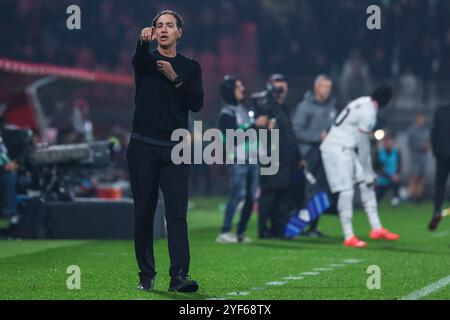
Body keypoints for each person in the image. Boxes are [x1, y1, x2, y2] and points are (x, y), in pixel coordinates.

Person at [127, 10, 203, 292]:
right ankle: (146, 275)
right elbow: (137, 60)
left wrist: (175, 78)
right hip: (142, 145)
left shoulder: (190, 67)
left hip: (176, 149)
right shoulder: (146, 61)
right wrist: (140, 43)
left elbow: (196, 103)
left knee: (177, 214)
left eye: (170, 25)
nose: (163, 29)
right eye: (159, 25)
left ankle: (179, 276)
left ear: (179, 32)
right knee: (144, 213)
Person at [320, 84, 400, 248]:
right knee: (347, 191)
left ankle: (376, 228)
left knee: (366, 184)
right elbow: (363, 145)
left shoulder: (364, 101)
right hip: (335, 150)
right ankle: (349, 236)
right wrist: (368, 170)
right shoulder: (369, 112)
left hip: (346, 149)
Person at [216, 76, 264, 244]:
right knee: (236, 196)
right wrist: (254, 126)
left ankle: (240, 232)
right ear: (230, 91)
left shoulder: (244, 109)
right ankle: (225, 231)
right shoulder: (226, 113)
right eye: (238, 87)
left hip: (252, 159)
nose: (242, 89)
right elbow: (233, 137)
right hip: (238, 159)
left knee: (251, 197)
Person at [292, 75, 337, 237]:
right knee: (307, 190)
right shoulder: (305, 107)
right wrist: (319, 136)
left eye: (329, 87)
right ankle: (299, 225)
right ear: (316, 87)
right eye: (324, 86)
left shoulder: (331, 107)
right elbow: (297, 131)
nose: (327, 90)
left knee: (321, 190)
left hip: (326, 153)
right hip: (309, 153)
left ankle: (313, 226)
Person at [257, 74, 301, 239]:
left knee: (283, 197)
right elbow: (260, 125)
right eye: (277, 85)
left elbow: (290, 135)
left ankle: (278, 230)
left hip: (287, 159)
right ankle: (263, 230)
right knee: (269, 195)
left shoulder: (284, 108)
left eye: (283, 85)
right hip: (271, 157)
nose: (281, 88)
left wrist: (299, 157)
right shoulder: (266, 105)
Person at [428, 104, 450, 231]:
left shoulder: (440, 110)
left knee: (439, 186)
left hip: (442, 154)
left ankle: (437, 211)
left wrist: (435, 151)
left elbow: (434, 131)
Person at [407, 113, 430, 203]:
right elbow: (410, 144)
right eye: (420, 119)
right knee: (414, 177)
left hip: (423, 157)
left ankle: (419, 196)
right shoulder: (412, 130)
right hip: (415, 157)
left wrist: (427, 146)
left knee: (421, 177)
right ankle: (410, 196)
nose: (422, 121)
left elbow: (429, 141)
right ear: (417, 119)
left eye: (423, 119)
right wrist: (420, 146)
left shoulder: (426, 130)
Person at [375, 134, 402, 206]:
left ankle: (395, 200)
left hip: (394, 178)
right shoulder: (380, 153)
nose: (388, 143)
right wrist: (389, 176)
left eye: (390, 141)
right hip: (383, 179)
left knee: (397, 184)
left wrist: (397, 174)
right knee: (377, 199)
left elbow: (399, 165)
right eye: (386, 141)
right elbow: (378, 168)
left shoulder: (396, 152)